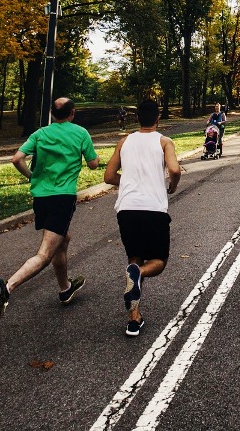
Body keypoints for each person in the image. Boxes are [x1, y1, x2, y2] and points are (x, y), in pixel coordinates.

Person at [0, 97, 100, 329]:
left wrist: (32, 176)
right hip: (62, 198)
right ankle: (6, 288)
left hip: (41, 198)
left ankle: (65, 288)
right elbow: (93, 164)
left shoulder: (40, 134)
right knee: (45, 253)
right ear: (72, 113)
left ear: (52, 114)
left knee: (62, 240)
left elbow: (17, 159)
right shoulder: (80, 133)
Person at [104, 99, 183, 337]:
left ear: (137, 118)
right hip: (153, 208)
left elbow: (109, 176)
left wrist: (130, 182)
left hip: (126, 209)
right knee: (158, 261)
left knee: (134, 260)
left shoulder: (124, 141)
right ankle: (140, 275)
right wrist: (173, 186)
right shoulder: (164, 141)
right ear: (158, 118)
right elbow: (175, 169)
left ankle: (133, 319)